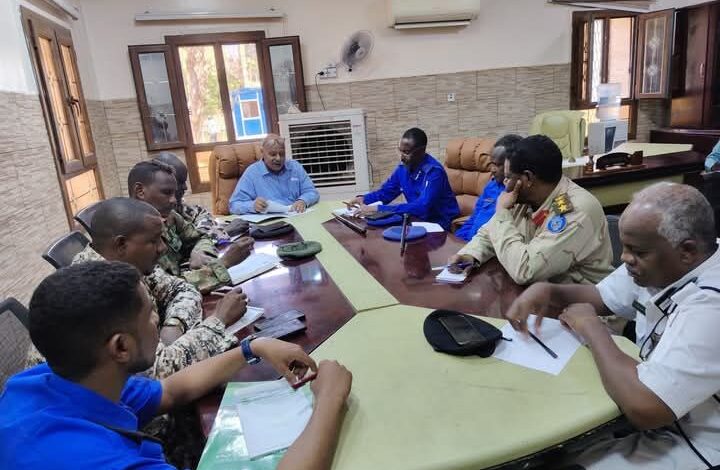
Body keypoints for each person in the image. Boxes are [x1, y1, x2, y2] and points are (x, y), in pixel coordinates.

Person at [0, 261, 352, 470]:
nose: (159, 321)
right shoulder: (97, 460)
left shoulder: (53, 379)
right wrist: (330, 399)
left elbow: (170, 390)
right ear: (121, 346)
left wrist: (252, 347)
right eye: (150, 314)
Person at [505, 182, 720, 470]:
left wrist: (593, 330)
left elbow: (647, 408)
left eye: (637, 251)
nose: (624, 258)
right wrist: (550, 291)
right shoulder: (664, 266)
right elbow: (602, 296)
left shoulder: (710, 306)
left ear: (687, 251)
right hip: (660, 419)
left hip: (699, 441)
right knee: (548, 451)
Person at [66, 197, 243, 378]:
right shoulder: (99, 292)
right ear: (121, 244)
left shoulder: (125, 263)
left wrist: (174, 326)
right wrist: (219, 320)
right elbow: (158, 372)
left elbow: (182, 289)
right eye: (154, 241)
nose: (163, 248)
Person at [448, 135, 612, 285]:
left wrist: (502, 213)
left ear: (527, 178)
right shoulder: (524, 197)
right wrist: (471, 255)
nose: (505, 183)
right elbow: (490, 232)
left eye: (508, 177)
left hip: (582, 301)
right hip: (541, 292)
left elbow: (526, 271)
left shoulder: (574, 210)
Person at [128, 160, 253, 293]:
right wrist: (225, 262)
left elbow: (201, 237)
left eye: (174, 193)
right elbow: (168, 289)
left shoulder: (169, 216)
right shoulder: (131, 237)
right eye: (166, 192)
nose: (174, 200)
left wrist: (198, 251)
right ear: (140, 191)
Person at [350, 127, 460, 231]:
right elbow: (386, 192)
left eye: (406, 152)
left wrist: (378, 209)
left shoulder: (434, 172)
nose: (402, 157)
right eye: (400, 151)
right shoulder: (403, 168)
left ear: (421, 151)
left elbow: (422, 206)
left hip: (439, 225)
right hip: (416, 220)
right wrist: (364, 199)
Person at [153, 151, 238, 241]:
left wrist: (212, 231)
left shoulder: (181, 207)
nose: (185, 187)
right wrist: (224, 231)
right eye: (180, 182)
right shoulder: (152, 220)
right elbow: (186, 243)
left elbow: (200, 213)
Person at [229, 134, 319, 214]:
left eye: (282, 154)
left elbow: (311, 191)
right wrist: (252, 206)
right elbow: (234, 205)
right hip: (270, 222)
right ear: (262, 153)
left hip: (297, 216)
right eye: (273, 154)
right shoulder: (252, 172)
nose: (278, 158)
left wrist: (303, 201)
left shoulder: (294, 167)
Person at [455, 134, 523, 241]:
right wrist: (458, 241)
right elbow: (474, 218)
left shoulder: (517, 194)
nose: (492, 170)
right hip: (471, 244)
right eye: (492, 163)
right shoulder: (491, 185)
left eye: (498, 165)